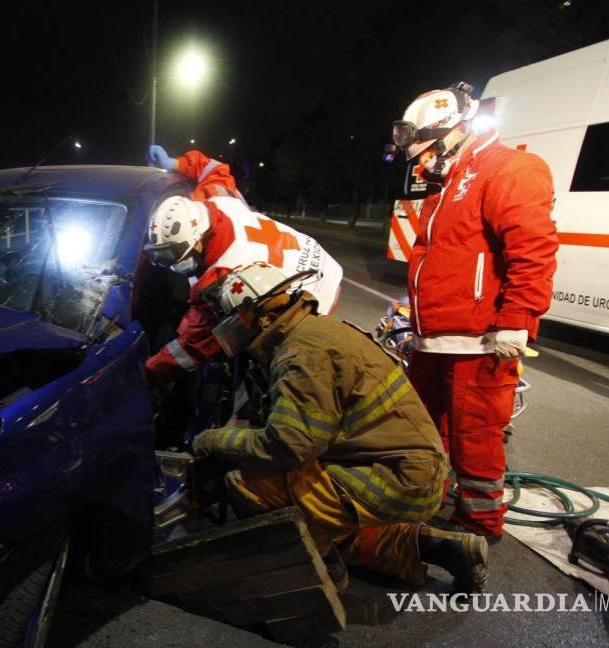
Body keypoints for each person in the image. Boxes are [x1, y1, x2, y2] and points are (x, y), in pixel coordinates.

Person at [192, 262, 489, 592]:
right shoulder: (315, 332)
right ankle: (444, 547)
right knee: (324, 502)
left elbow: (291, 445)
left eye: (239, 324)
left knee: (252, 483)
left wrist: (215, 440)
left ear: (263, 316)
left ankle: (321, 570)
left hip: (396, 477)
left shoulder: (300, 353)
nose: (238, 334)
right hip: (409, 471)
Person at [390, 82, 559, 537]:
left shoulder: (509, 170)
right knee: (423, 425)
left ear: (454, 130)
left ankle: (479, 524)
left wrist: (516, 321)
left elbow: (533, 251)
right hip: (436, 337)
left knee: (476, 434)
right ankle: (434, 494)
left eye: (425, 148)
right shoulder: (446, 183)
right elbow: (446, 257)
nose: (420, 160)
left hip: (479, 339)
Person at [143, 145, 343, 388]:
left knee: (270, 360)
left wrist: (148, 374)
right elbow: (212, 167)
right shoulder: (217, 198)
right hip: (318, 259)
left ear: (197, 242)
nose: (174, 263)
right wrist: (174, 163)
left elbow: (193, 346)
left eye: (175, 254)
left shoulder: (222, 278)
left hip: (316, 298)